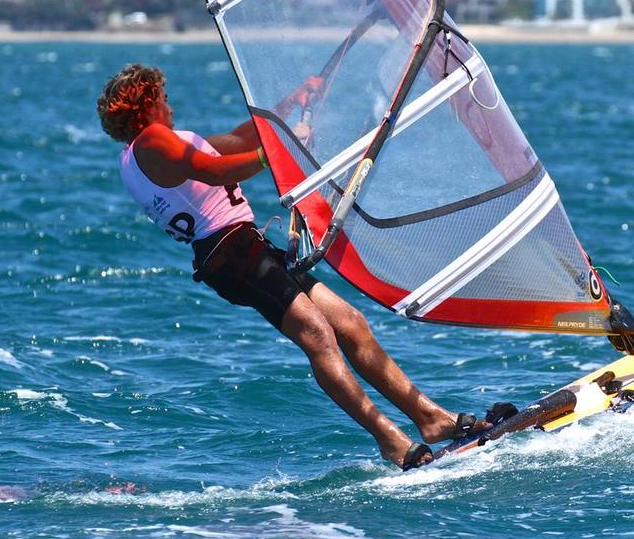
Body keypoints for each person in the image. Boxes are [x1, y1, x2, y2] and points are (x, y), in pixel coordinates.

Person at [96, 63, 487, 470]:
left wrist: (292, 102)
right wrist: (273, 155)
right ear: (147, 105)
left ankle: (431, 418)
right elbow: (212, 171)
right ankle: (391, 441)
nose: (169, 105)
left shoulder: (147, 152)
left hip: (243, 250)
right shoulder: (152, 142)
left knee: (349, 323)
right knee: (318, 335)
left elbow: (229, 144)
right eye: (162, 97)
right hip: (231, 253)